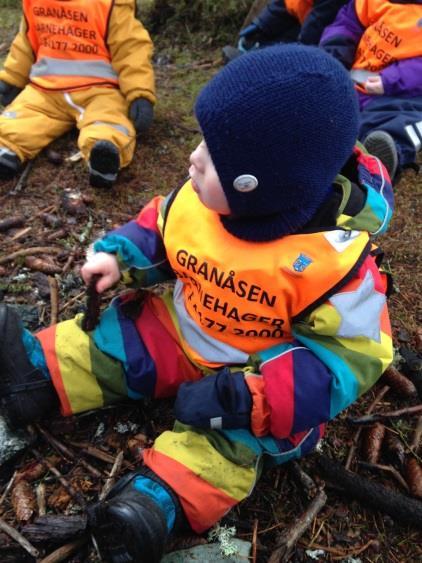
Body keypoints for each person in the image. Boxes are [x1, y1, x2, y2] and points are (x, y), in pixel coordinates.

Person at [0, 45, 394, 562]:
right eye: (204, 141)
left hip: (254, 380)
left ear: (260, 190)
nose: (195, 159)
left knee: (229, 449)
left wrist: (252, 399)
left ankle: (154, 503)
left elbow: (351, 356)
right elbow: (162, 231)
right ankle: (38, 375)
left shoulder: (333, 262)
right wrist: (121, 257)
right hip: (183, 329)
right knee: (116, 339)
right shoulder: (201, 200)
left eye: (215, 157)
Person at [0, 0, 156, 188]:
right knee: (23, 117)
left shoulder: (109, 4)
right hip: (45, 89)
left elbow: (130, 48)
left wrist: (139, 92)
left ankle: (104, 155)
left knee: (109, 120)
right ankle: (5, 148)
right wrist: (12, 77)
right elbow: (26, 42)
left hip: (101, 91)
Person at [320, 0, 422, 181]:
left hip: (397, 94)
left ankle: (382, 157)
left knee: (405, 119)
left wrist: (391, 80)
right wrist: (334, 56)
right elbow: (347, 24)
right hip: (349, 78)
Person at [222, 0, 347, 62]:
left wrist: (299, 52)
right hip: (300, 25)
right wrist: (259, 27)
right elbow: (283, 5)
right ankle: (252, 57)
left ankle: (256, 64)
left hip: (322, 38)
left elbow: (317, 24)